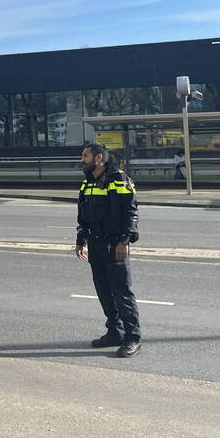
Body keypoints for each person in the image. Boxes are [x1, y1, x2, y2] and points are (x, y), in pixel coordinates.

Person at [75, 142, 142, 357]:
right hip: (95, 243)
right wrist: (80, 239)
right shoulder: (87, 183)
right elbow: (83, 214)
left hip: (115, 243)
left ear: (98, 159)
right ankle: (115, 331)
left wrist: (124, 241)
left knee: (121, 290)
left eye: (85, 156)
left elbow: (130, 211)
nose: (81, 160)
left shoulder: (118, 179)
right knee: (103, 289)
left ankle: (133, 338)